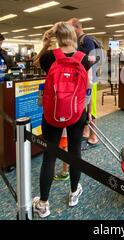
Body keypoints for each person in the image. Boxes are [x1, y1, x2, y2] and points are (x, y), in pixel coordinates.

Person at [32, 21, 93, 218]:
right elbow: (89, 88)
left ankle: (43, 204)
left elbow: (36, 61)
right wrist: (87, 113)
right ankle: (74, 193)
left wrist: (46, 40)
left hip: (52, 113)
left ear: (57, 37)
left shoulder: (49, 57)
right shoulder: (84, 59)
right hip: (76, 112)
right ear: (74, 37)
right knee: (75, 153)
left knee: (49, 156)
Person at [68, 18, 99, 147]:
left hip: (91, 79)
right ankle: (86, 131)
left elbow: (90, 61)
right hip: (82, 78)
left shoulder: (87, 40)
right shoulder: (76, 41)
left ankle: (93, 135)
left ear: (77, 27)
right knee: (83, 107)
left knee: (92, 109)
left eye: (70, 28)